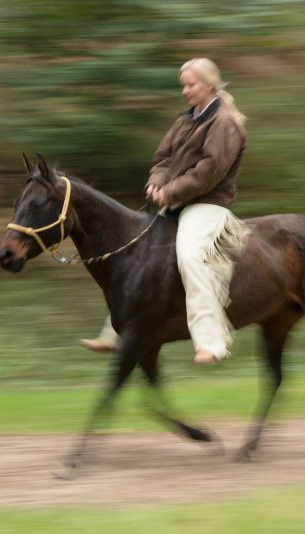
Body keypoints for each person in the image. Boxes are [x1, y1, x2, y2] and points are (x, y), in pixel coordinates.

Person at [80, 57, 248, 365]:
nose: (184, 91)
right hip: (177, 203)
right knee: (137, 257)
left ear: (209, 85)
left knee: (191, 257)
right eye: (183, 84)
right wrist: (156, 184)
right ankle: (116, 333)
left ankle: (211, 343)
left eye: (190, 84)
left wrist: (169, 192)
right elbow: (163, 159)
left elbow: (208, 172)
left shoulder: (224, 124)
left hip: (208, 206)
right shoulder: (185, 121)